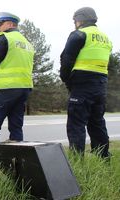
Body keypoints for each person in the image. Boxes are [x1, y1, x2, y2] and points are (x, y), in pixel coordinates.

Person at [60, 7, 112, 158]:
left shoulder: (79, 34)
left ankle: (77, 160)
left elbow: (66, 59)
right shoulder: (106, 38)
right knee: (97, 122)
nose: (75, 23)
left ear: (81, 19)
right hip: (100, 85)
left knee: (76, 124)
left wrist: (65, 79)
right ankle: (103, 157)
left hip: (82, 84)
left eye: (75, 20)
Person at [0, 12, 34, 143]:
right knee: (16, 125)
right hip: (24, 89)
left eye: (0, 24)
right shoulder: (27, 43)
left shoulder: (5, 38)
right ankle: (16, 158)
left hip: (5, 87)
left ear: (10, 24)